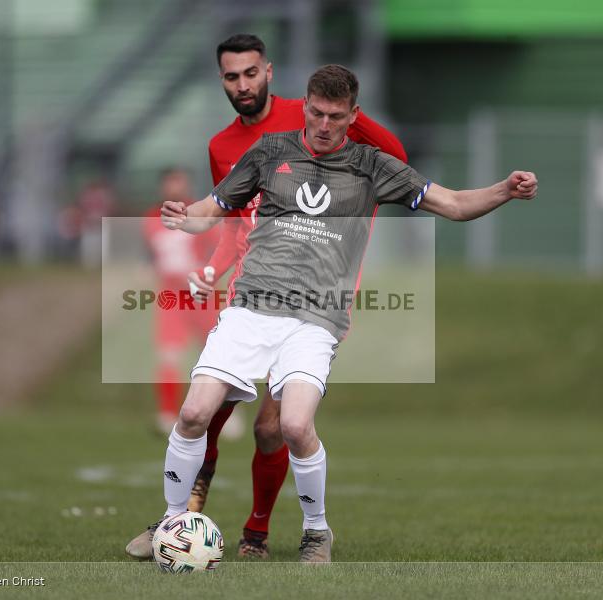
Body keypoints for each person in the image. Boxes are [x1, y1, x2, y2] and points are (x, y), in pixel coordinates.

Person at [132, 63, 537, 563]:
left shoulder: (373, 166)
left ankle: (316, 532)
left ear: (353, 115)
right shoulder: (270, 151)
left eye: (336, 117)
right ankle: (172, 523)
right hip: (251, 307)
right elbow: (214, 207)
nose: (324, 125)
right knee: (194, 412)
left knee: (293, 426)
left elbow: (452, 204)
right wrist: (184, 216)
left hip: (315, 319)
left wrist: (504, 190)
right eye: (317, 113)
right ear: (305, 106)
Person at [125, 33, 410, 560]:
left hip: (312, 301)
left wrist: (349, 113)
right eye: (232, 76)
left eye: (251, 73)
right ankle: (179, 522)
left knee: (272, 427)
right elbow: (235, 220)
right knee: (204, 413)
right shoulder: (222, 146)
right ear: (222, 80)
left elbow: (393, 158)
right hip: (249, 293)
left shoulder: (312, 116)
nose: (243, 85)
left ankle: (256, 533)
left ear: (269, 71)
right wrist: (213, 268)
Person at [141, 168, 223, 434]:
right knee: (169, 355)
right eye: (171, 183)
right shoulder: (151, 219)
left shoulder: (199, 214)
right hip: (171, 296)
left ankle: (221, 415)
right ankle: (167, 414)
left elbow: (217, 248)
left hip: (200, 295)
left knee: (213, 356)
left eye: (180, 182)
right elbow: (154, 255)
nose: (175, 188)